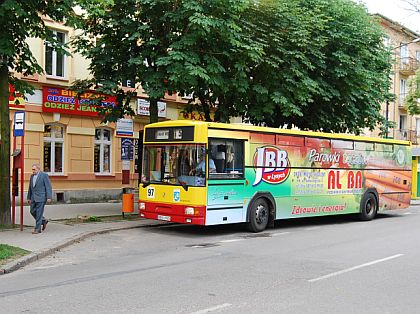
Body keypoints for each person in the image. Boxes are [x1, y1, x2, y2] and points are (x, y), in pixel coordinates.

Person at [27, 163, 52, 234]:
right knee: (32, 211)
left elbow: (48, 186)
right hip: (33, 198)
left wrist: (49, 197)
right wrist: (29, 197)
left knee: (39, 213)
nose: (33, 171)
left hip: (41, 197)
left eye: (34, 169)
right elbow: (30, 188)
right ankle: (43, 221)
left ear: (38, 169)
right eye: (32, 169)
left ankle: (37, 229)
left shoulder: (44, 175)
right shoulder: (32, 176)